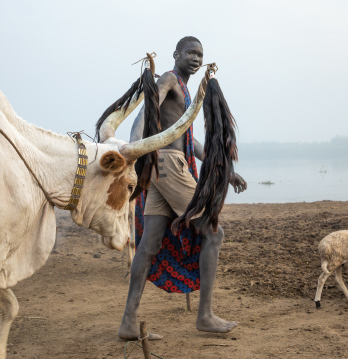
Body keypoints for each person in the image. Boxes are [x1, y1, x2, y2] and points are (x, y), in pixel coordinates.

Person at [118, 36, 247, 340]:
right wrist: (133, 148)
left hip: (161, 168)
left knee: (149, 244)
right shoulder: (170, 79)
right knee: (214, 232)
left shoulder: (188, 93)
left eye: (200, 54)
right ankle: (205, 316)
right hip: (170, 165)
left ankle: (128, 322)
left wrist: (227, 172)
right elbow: (148, 109)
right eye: (190, 52)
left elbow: (190, 140)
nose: (196, 58)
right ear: (176, 54)